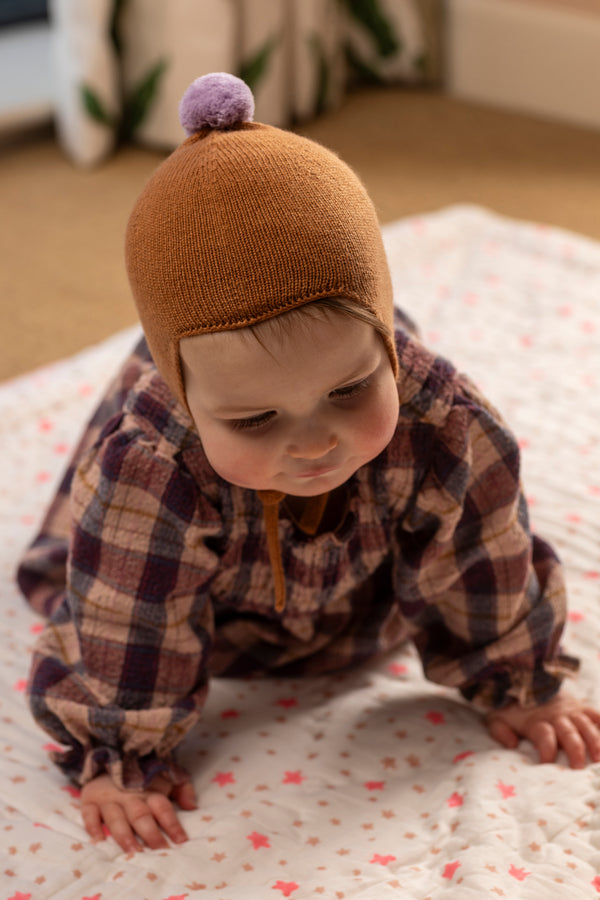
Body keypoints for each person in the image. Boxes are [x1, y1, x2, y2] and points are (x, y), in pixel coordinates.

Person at [17, 73, 600, 856]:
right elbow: (129, 610)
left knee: (388, 420)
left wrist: (516, 679)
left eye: (350, 389)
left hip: (362, 596)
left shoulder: (439, 417)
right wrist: (118, 753)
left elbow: (481, 551)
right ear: (193, 407)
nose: (313, 442)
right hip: (219, 618)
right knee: (117, 560)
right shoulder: (157, 463)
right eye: (254, 419)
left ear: (387, 351)